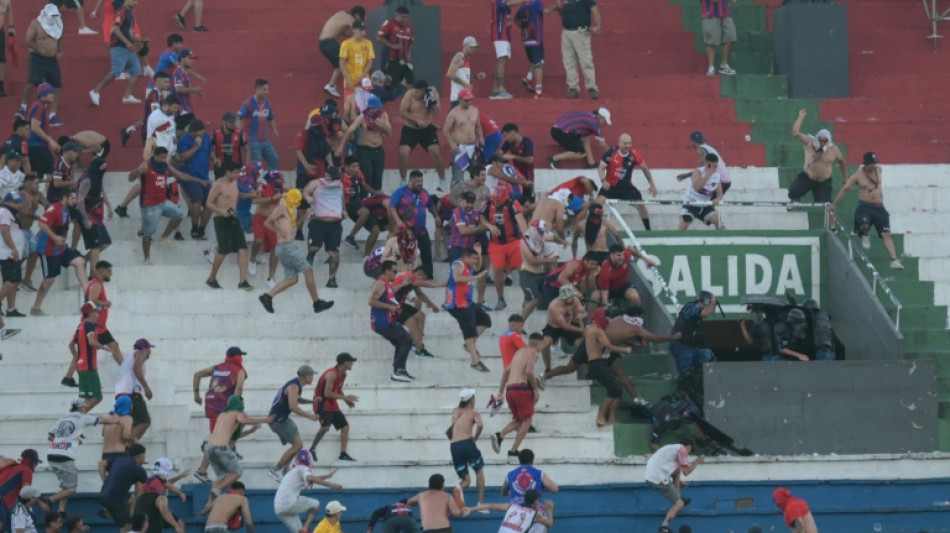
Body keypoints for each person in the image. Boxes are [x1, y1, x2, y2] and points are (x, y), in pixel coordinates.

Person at [258, 189, 335, 313]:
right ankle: (317, 303)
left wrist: (305, 215)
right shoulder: (281, 208)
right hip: (286, 247)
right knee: (308, 270)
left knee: (292, 279)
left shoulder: (288, 211)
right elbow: (267, 223)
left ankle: (268, 296)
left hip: (286, 247)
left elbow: (291, 227)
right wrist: (278, 231)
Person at [829, 151, 904, 269]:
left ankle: (894, 260)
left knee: (886, 234)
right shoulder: (857, 175)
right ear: (865, 164)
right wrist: (834, 204)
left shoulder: (879, 170)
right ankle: (865, 234)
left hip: (879, 206)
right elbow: (845, 189)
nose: (873, 166)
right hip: (865, 206)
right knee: (864, 225)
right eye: (871, 164)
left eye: (874, 163)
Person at [46, 400, 118, 513]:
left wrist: (71, 439)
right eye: (85, 406)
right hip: (65, 456)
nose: (86, 408)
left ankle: (61, 511)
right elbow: (103, 420)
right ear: (81, 408)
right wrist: (117, 419)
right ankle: (48, 501)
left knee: (65, 485)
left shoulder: (62, 417)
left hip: (52, 455)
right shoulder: (83, 417)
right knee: (71, 489)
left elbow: (50, 437)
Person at [191, 346, 248, 484]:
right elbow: (239, 388)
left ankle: (232, 447)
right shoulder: (239, 370)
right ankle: (202, 470)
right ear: (238, 357)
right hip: (223, 406)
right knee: (217, 440)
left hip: (211, 404)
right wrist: (236, 405)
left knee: (241, 420)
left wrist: (196, 394)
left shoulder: (218, 367)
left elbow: (197, 374)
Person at [204, 395, 271, 504]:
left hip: (209, 448)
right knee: (237, 472)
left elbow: (229, 436)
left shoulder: (222, 415)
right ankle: (216, 490)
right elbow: (243, 420)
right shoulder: (236, 413)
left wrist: (250, 431)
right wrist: (264, 419)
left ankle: (209, 502)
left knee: (221, 476)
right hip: (221, 448)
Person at [31, 192, 87, 315]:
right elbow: (41, 223)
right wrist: (55, 238)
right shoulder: (55, 209)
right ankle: (36, 307)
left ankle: (87, 297)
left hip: (61, 248)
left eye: (75, 198)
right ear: (64, 198)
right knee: (50, 280)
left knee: (80, 261)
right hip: (48, 250)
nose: (75, 201)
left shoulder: (68, 209)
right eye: (72, 198)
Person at [128, 147, 186, 262]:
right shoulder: (146, 166)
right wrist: (135, 173)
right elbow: (130, 178)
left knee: (180, 214)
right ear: (155, 156)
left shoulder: (165, 166)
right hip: (148, 205)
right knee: (148, 234)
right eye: (162, 157)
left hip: (162, 202)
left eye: (166, 157)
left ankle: (163, 237)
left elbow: (177, 174)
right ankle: (146, 258)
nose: (165, 159)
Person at [491, 334, 544, 457]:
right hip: (521, 388)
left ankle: (503, 439)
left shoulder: (519, 352)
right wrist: (535, 390)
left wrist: (500, 392)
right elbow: (529, 371)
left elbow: (505, 371)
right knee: (527, 420)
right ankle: (509, 445)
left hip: (510, 389)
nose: (542, 347)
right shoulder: (534, 352)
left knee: (520, 420)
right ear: (537, 344)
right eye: (542, 344)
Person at [267, 366, 321, 481]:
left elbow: (298, 399)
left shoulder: (296, 385)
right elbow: (293, 406)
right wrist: (311, 416)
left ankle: (284, 471)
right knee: (298, 445)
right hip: (279, 421)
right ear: (306, 376)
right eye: (311, 375)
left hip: (282, 419)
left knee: (297, 445)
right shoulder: (294, 386)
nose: (312, 378)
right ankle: (276, 470)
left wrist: (312, 401)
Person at [205, 161, 253, 290]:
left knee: (242, 248)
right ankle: (212, 278)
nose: (238, 175)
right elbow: (209, 203)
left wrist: (249, 195)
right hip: (221, 219)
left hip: (234, 218)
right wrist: (222, 211)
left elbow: (237, 196)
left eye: (239, 172)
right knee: (223, 250)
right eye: (236, 172)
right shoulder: (218, 185)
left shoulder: (235, 183)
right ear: (228, 172)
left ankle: (243, 281)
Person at [89, 0, 144, 107]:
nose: (135, 2)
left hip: (129, 49)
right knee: (115, 72)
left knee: (137, 72)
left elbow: (130, 32)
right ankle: (95, 91)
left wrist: (137, 39)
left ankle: (127, 96)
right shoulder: (120, 12)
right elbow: (115, 29)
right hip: (119, 48)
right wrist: (127, 42)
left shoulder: (130, 14)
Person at [788, 109, 847, 205]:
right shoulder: (809, 141)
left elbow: (842, 161)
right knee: (792, 192)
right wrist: (801, 117)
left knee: (825, 205)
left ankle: (829, 218)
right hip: (808, 177)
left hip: (823, 182)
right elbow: (795, 133)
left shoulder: (833, 150)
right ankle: (796, 199)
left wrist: (845, 177)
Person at [18, 6, 64, 128]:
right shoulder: (36, 23)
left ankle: (52, 115)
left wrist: (60, 51)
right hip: (37, 57)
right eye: (52, 16)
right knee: (32, 83)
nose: (54, 18)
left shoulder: (59, 24)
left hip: (52, 59)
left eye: (56, 16)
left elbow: (60, 38)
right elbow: (28, 40)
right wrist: (40, 50)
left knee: (57, 86)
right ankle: (22, 109)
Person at [597, 133, 656, 230]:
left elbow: (645, 168)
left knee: (641, 205)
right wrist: (603, 181)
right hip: (610, 186)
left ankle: (648, 230)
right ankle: (595, 227)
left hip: (626, 187)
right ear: (619, 143)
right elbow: (601, 168)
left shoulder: (634, 154)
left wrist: (652, 185)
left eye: (629, 143)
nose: (627, 146)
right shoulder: (610, 153)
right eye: (625, 143)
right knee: (597, 204)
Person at [446, 248, 492, 372]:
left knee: (485, 321)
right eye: (473, 258)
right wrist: (476, 277)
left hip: (467, 303)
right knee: (469, 332)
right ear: (466, 257)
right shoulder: (458, 264)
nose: (475, 261)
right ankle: (475, 361)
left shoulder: (468, 265)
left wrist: (479, 254)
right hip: (457, 304)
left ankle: (468, 345)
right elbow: (457, 278)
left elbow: (477, 268)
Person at [482, 184, 526, 310]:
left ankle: (527, 296)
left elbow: (521, 221)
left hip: (513, 242)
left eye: (499, 199)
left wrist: (527, 239)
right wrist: (490, 227)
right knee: (497, 271)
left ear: (505, 198)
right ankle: (500, 298)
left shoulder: (512, 204)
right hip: (496, 244)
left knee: (522, 269)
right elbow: (481, 218)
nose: (496, 201)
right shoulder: (488, 204)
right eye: (495, 198)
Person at [274, 451, 341, 533]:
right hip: (289, 503)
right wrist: (331, 485)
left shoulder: (293, 471)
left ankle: (303, 530)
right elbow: (310, 478)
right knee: (316, 504)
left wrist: (327, 476)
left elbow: (313, 478)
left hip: (279, 508)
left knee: (300, 531)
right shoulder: (302, 468)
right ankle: (305, 528)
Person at [370, 260, 416, 382]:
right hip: (381, 322)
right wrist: (390, 307)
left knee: (401, 341)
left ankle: (398, 370)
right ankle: (399, 371)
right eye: (394, 271)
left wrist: (402, 284)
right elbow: (372, 301)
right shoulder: (380, 283)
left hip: (386, 320)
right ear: (387, 271)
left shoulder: (386, 283)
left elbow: (391, 290)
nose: (396, 274)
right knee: (406, 339)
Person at [645, 440, 704, 533]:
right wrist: (697, 462)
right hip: (657, 478)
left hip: (652, 474)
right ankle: (664, 528)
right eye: (689, 451)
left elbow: (672, 469)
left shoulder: (673, 448)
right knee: (679, 504)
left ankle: (678, 496)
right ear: (688, 447)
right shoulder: (682, 450)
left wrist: (679, 482)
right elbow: (686, 472)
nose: (687, 455)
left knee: (677, 470)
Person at [309, 353, 359, 461]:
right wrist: (345, 398)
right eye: (350, 362)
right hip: (321, 403)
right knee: (325, 428)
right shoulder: (332, 374)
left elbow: (338, 389)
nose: (352, 364)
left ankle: (343, 454)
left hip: (332, 404)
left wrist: (346, 400)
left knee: (345, 427)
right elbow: (327, 393)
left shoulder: (343, 374)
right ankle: (312, 448)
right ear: (345, 363)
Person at [303, 166, 345, 288]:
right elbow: (305, 191)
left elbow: (341, 199)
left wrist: (343, 210)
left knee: (334, 253)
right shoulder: (316, 183)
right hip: (318, 222)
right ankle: (311, 254)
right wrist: (308, 197)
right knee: (314, 247)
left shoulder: (340, 184)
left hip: (335, 223)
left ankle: (332, 279)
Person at [398, 82, 446, 189]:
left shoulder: (432, 94)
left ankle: (442, 180)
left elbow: (437, 113)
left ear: (424, 91)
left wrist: (435, 102)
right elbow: (402, 111)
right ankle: (402, 180)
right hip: (410, 128)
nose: (414, 93)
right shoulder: (409, 94)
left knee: (436, 152)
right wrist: (417, 120)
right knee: (403, 152)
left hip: (426, 129)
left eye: (417, 92)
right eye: (414, 91)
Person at [338, 96, 390, 192]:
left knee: (378, 176)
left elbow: (389, 133)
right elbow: (349, 131)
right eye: (374, 108)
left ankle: (376, 199)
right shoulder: (362, 117)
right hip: (364, 150)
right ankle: (364, 198)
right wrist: (341, 147)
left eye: (378, 108)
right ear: (369, 108)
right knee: (367, 175)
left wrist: (382, 126)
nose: (376, 110)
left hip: (378, 149)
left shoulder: (383, 115)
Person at [389, 170, 434, 277]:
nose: (420, 184)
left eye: (421, 181)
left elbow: (431, 205)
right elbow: (392, 207)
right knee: (404, 254)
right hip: (406, 230)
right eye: (418, 181)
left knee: (426, 253)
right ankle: (402, 276)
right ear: (410, 181)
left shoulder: (424, 192)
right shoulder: (400, 192)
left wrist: (436, 216)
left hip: (421, 230)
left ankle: (429, 276)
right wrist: (398, 221)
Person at [552, 0, 600, 99]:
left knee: (586, 60)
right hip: (566, 31)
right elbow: (565, 14)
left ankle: (592, 88)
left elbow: (594, 9)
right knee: (568, 61)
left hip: (580, 31)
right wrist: (559, 9)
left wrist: (598, 26)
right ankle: (573, 88)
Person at [449, 389, 487, 508]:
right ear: (471, 400)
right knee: (479, 471)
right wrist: (475, 437)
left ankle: (459, 487)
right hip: (467, 443)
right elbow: (480, 425)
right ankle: (480, 504)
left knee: (466, 480)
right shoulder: (473, 413)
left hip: (454, 445)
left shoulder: (455, 411)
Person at [99, 443, 148, 533]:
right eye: (145, 455)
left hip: (103, 495)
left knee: (132, 499)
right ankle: (126, 521)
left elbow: (101, 464)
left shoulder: (119, 460)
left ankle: (124, 517)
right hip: (115, 500)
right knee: (126, 528)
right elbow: (144, 490)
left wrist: (105, 480)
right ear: (141, 456)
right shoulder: (139, 469)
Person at [177, 119, 213, 238]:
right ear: (194, 132)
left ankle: (202, 228)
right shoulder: (184, 140)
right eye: (201, 130)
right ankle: (194, 228)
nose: (203, 132)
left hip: (204, 176)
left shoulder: (206, 137)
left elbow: (209, 151)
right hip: (190, 176)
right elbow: (182, 158)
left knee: (211, 202)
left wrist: (215, 159)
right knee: (197, 199)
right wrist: (196, 146)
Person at [669, 291, 716, 381]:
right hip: (680, 345)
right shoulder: (691, 307)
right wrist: (713, 302)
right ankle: (682, 392)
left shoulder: (696, 315)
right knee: (687, 374)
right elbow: (705, 313)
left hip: (691, 346)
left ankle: (699, 390)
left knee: (708, 357)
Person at [114, 338, 156, 439]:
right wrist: (146, 388)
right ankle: (128, 446)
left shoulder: (129, 357)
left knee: (132, 423)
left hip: (120, 394)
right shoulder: (140, 352)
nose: (150, 351)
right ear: (144, 348)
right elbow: (136, 368)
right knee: (144, 421)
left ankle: (127, 446)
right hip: (131, 393)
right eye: (149, 349)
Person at [591, 244, 655, 308]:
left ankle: (636, 316)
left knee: (635, 297)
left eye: (623, 254)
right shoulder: (606, 270)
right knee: (595, 297)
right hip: (607, 289)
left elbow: (631, 250)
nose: (622, 257)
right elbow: (604, 296)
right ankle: (591, 317)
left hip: (623, 287)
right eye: (619, 255)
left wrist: (646, 259)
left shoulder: (625, 256)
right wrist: (606, 309)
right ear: (611, 255)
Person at [132, 458, 186, 533]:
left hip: (143, 506)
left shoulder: (152, 480)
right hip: (152, 509)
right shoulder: (160, 497)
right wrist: (180, 493)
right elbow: (164, 511)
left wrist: (179, 477)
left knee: (180, 523)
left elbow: (167, 483)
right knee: (178, 524)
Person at [540, 285, 587, 371]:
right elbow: (564, 326)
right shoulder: (554, 306)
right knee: (545, 343)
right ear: (561, 298)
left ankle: (586, 371)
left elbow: (584, 312)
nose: (569, 300)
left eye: (571, 297)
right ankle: (547, 367)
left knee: (582, 344)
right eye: (567, 298)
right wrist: (581, 329)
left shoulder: (575, 300)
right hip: (554, 327)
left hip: (569, 323)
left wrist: (581, 315)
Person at [237, 79, 280, 171]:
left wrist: (274, 130)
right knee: (256, 164)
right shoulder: (248, 103)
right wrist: (238, 133)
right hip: (252, 140)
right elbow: (239, 117)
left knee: (274, 159)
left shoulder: (267, 103)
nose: (267, 92)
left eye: (268, 89)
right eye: (264, 90)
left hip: (264, 140)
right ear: (257, 89)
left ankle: (269, 182)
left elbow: (271, 118)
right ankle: (253, 183)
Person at [465, 489, 554, 533]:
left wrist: (471, 509)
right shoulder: (535, 513)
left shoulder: (512, 506)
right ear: (535, 501)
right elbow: (549, 523)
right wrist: (549, 510)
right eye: (538, 500)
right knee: (542, 526)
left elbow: (490, 505)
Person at [444, 89, 483, 185]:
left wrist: (481, 138)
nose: (469, 102)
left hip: (472, 146)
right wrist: (452, 144)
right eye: (466, 100)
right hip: (460, 148)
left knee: (475, 174)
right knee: (458, 177)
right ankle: (455, 197)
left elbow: (477, 126)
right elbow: (446, 130)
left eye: (470, 100)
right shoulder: (454, 113)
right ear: (460, 100)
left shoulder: (474, 110)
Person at [677, 152, 723, 230]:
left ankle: (723, 239)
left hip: (704, 204)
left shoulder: (717, 176)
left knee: (719, 221)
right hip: (691, 203)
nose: (713, 168)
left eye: (715, 166)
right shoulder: (698, 172)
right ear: (706, 163)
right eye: (710, 165)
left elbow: (720, 192)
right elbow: (697, 187)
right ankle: (676, 240)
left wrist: (718, 199)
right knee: (684, 225)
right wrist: (708, 174)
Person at [27, 83, 60, 184]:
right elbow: (35, 127)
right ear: (43, 95)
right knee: (51, 170)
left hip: (37, 146)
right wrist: (50, 141)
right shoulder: (39, 106)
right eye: (50, 93)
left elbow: (42, 129)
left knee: (41, 174)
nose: (53, 95)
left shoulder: (42, 106)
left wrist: (52, 142)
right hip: (36, 146)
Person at [97, 396, 135, 482]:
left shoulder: (109, 416)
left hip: (105, 454)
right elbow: (126, 436)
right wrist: (134, 440)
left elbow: (103, 434)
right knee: (122, 481)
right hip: (118, 454)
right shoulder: (127, 418)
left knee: (113, 480)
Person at [685, 130, 731, 200]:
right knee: (707, 205)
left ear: (693, 141)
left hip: (719, 181)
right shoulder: (708, 148)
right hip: (726, 181)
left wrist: (685, 176)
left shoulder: (701, 149)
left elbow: (701, 170)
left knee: (704, 204)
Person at [513, 0, 545, 98]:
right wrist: (554, 8)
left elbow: (516, 19)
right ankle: (539, 92)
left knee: (535, 61)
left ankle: (528, 78)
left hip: (526, 40)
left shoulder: (523, 4)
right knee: (539, 63)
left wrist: (523, 28)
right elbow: (545, 12)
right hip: (535, 38)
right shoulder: (536, 2)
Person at [378, 7, 415, 86]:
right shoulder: (389, 23)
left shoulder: (409, 27)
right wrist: (393, 46)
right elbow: (379, 38)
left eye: (407, 17)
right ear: (396, 15)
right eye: (403, 17)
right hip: (389, 60)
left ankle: (409, 98)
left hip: (402, 61)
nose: (405, 19)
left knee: (411, 80)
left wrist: (409, 54)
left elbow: (410, 42)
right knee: (390, 85)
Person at [339, 21, 374, 103]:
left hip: (365, 81)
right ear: (353, 30)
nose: (363, 32)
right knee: (350, 106)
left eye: (363, 30)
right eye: (360, 30)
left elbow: (370, 61)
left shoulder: (368, 43)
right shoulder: (346, 44)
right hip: (350, 81)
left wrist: (362, 76)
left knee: (365, 106)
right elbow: (342, 62)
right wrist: (347, 78)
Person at [701, 0, 738, 76]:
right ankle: (711, 67)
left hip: (725, 12)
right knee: (710, 40)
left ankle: (724, 66)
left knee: (730, 35)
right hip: (710, 13)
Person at [447, 37, 486, 107]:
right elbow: (450, 74)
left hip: (464, 98)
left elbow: (465, 78)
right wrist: (465, 84)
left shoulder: (466, 59)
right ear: (465, 46)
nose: (474, 49)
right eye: (472, 47)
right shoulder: (460, 56)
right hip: (458, 98)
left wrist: (476, 77)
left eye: (475, 47)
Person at [489, 0, 515, 99]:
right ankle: (500, 89)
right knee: (502, 60)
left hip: (505, 34)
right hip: (500, 33)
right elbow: (508, 3)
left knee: (502, 60)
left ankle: (495, 90)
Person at [211, 112, 249, 179]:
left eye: (234, 122)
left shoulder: (240, 134)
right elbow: (208, 147)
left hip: (236, 167)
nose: (233, 124)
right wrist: (215, 159)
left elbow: (248, 149)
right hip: (221, 167)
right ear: (224, 122)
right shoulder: (216, 134)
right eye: (231, 122)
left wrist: (247, 165)